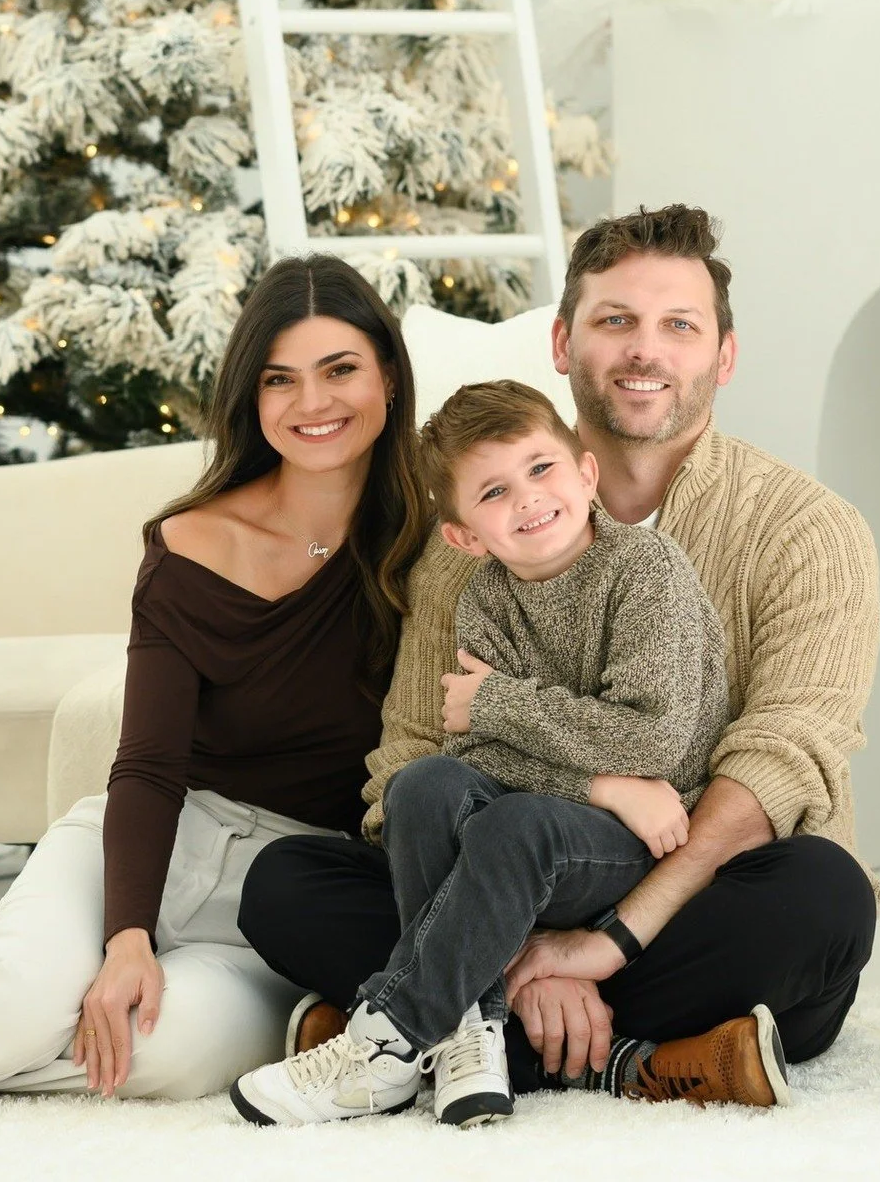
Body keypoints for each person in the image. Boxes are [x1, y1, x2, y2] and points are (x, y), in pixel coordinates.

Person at [0, 254, 429, 1107]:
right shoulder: (192, 542)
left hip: (288, 899)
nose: (312, 403)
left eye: (340, 370)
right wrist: (126, 933)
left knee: (164, 1057)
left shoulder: (435, 547)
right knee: (13, 997)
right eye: (279, 378)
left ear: (389, 377)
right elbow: (146, 764)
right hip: (150, 846)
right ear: (251, 397)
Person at [239, 204, 880, 1109]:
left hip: (685, 903)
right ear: (561, 340)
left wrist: (603, 943)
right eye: (614, 320)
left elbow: (779, 761)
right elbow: (414, 753)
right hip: (496, 878)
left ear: (722, 356)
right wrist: (514, 935)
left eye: (678, 326)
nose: (642, 351)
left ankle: (419, 1019)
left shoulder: (808, 530)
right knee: (285, 885)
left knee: (823, 899)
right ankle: (643, 1055)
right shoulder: (464, 554)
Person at [230, 380, 743, 1128]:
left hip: (644, 839)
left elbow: (653, 739)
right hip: (569, 825)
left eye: (541, 469)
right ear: (465, 535)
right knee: (423, 786)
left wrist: (500, 701)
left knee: (512, 825)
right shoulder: (484, 600)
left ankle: (389, 1038)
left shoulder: (644, 568)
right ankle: (472, 1031)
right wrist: (600, 782)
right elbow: (475, 754)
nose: (529, 499)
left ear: (585, 473)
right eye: (494, 492)